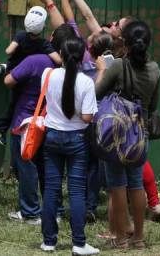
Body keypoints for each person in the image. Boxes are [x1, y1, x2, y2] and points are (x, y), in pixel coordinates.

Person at [95, 20, 160, 249]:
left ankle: (121, 239)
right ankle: (139, 238)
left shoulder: (118, 66)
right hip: (140, 132)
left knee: (117, 185)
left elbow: (97, 92)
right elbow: (153, 106)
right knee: (136, 184)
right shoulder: (155, 70)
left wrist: (102, 69)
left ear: (126, 43)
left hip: (116, 132)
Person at [4, 23, 75, 225]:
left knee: (26, 166)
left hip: (26, 122)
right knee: (49, 168)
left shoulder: (35, 60)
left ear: (51, 39)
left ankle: (30, 211)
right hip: (52, 121)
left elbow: (8, 81)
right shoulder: (68, 66)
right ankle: (57, 210)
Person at [39, 37, 100, 255]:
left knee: (51, 189)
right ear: (83, 56)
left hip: (52, 136)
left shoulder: (48, 75)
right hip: (77, 139)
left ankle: (48, 242)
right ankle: (79, 243)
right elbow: (86, 118)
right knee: (76, 192)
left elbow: (46, 102)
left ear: (62, 55)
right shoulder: (86, 82)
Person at [0, 5, 61, 146]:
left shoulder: (20, 35)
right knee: (17, 104)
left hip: (15, 72)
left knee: (14, 103)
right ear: (43, 26)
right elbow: (58, 60)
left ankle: (2, 128)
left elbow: (9, 51)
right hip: (27, 77)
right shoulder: (43, 44)